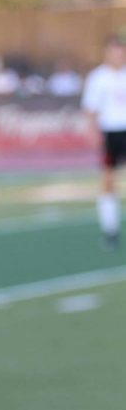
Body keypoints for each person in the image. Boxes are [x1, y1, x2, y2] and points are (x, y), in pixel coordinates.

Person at [82, 36, 126, 250]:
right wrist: (93, 131)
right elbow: (91, 108)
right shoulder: (98, 77)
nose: (119, 55)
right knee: (108, 180)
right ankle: (110, 229)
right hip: (111, 132)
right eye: (115, 51)